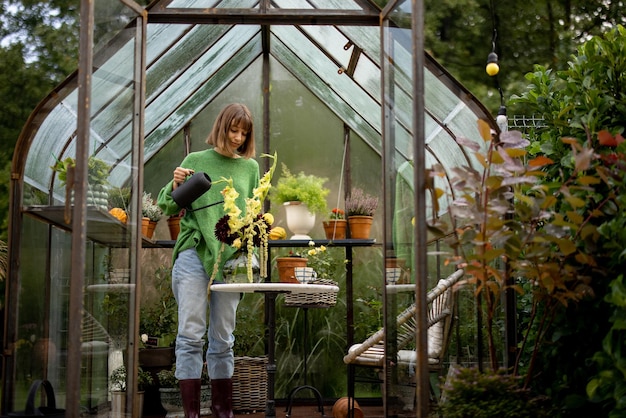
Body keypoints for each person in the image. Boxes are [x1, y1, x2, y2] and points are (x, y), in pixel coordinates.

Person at [157, 103, 260, 418]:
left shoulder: (250, 168)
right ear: (222, 127)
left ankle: (222, 411)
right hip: (194, 254)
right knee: (190, 333)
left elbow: (252, 215)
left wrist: (250, 252)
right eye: (234, 130)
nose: (238, 137)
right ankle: (191, 413)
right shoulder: (195, 161)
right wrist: (175, 185)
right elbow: (167, 207)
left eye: (244, 132)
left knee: (222, 338)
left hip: (230, 260)